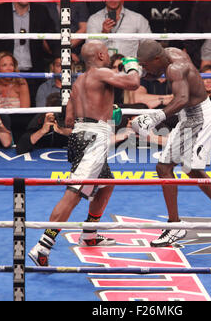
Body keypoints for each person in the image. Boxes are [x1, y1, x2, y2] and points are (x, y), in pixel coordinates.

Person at [28, 40, 140, 266]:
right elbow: (133, 83)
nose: (109, 55)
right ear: (99, 55)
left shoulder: (79, 82)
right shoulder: (101, 72)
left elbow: (69, 119)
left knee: (107, 183)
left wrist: (103, 109)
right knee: (74, 192)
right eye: (106, 52)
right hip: (94, 138)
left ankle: (89, 234)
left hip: (80, 134)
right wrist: (132, 64)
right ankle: (43, 244)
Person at [132, 40, 211, 248]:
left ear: (156, 59)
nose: (144, 69)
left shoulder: (174, 68)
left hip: (197, 117)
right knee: (190, 169)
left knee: (164, 167)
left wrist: (155, 117)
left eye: (145, 64)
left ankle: (174, 225)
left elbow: (181, 98)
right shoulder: (171, 54)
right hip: (193, 115)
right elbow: (182, 97)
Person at [0, 2, 58, 105]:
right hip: (3, 76)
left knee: (32, 114)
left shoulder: (41, 11)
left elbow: (53, 39)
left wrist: (65, 54)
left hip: (34, 74)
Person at [86, 0, 151, 57]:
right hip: (103, 67)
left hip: (129, 66)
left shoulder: (137, 19)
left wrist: (138, 62)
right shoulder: (94, 19)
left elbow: (149, 44)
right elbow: (89, 50)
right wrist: (104, 34)